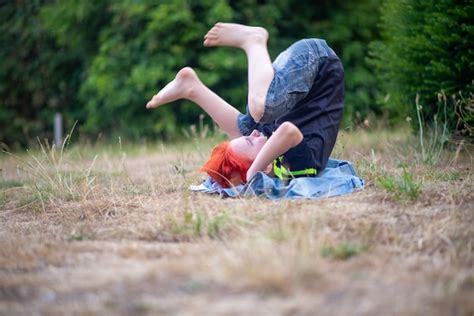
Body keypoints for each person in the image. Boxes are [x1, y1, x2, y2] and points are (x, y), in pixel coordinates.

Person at [146, 23, 344, 188]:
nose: (255, 134)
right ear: (264, 168)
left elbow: (268, 135)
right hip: (319, 69)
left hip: (305, 68)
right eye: (251, 141)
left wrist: (250, 166)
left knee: (260, 113)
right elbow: (288, 131)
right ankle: (193, 88)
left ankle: (252, 42)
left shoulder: (267, 149)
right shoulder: (299, 167)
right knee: (260, 112)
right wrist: (252, 173)